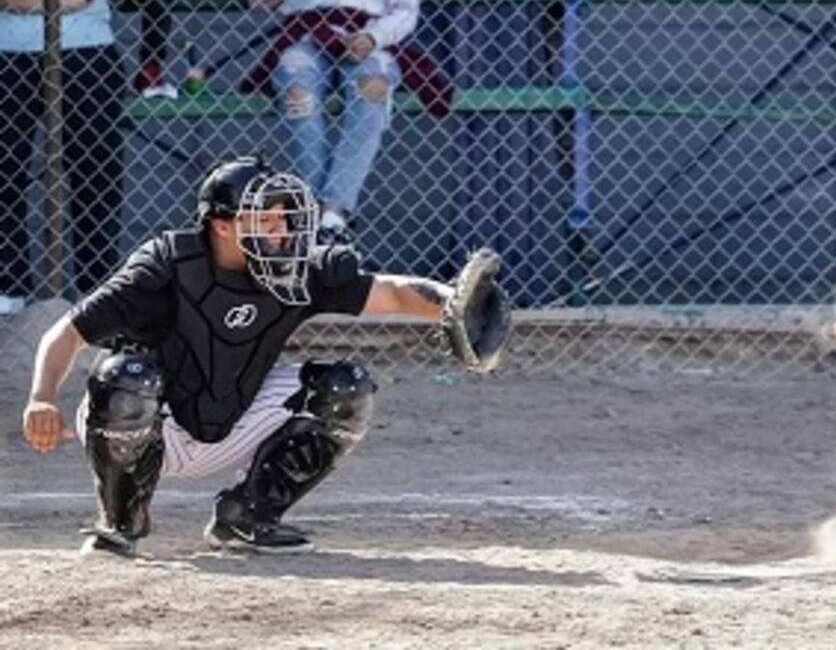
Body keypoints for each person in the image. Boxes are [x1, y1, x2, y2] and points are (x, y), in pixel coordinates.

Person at [22, 155, 507, 556]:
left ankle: (247, 517)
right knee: (125, 376)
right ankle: (119, 522)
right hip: (146, 423)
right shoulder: (167, 265)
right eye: (265, 220)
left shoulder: (295, 271)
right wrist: (42, 397)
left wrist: (453, 304)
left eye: (284, 219)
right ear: (222, 226)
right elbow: (67, 333)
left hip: (231, 417)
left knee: (346, 389)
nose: (281, 231)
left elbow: (393, 293)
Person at [246, 0, 420, 246]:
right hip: (305, 31)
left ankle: (333, 211)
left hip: (366, 30)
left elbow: (405, 6)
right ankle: (319, 211)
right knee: (298, 89)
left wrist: (374, 36)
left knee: (373, 85)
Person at [0, 0, 127, 315]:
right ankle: (9, 289)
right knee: (5, 171)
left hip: (86, 53)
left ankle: (97, 287)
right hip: (10, 55)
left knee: (95, 172)